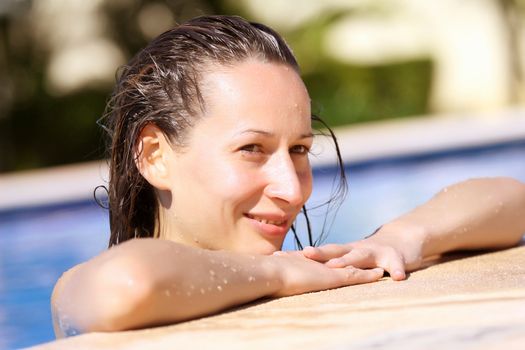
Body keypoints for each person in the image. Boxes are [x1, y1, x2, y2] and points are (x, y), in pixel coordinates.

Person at [51, 15, 525, 338]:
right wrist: (277, 271)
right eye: (251, 149)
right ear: (155, 156)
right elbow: (128, 285)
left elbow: (511, 199)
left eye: (299, 149)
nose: (293, 188)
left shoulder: (306, 271)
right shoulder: (78, 291)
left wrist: (403, 238)